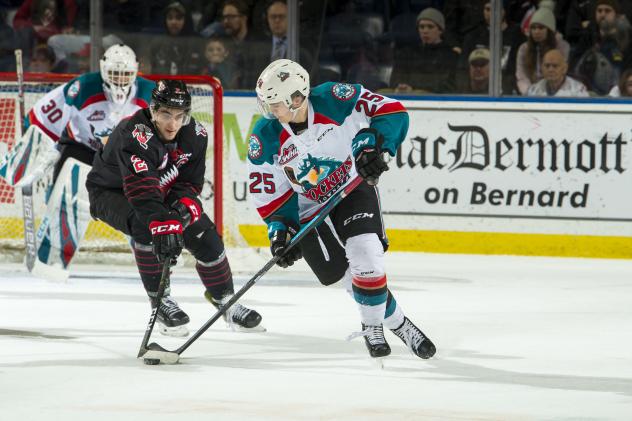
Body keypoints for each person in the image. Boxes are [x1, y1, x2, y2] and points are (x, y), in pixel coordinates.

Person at [248, 59, 436, 360]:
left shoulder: (336, 98)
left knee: (367, 255)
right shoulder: (266, 135)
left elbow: (392, 111)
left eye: (276, 104)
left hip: (351, 188)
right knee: (338, 275)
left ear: (296, 98)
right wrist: (280, 230)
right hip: (307, 209)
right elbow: (268, 190)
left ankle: (375, 326)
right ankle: (398, 320)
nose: (270, 111)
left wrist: (377, 145)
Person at [86, 79, 263, 336]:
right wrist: (164, 225)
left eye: (180, 116)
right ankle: (161, 303)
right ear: (153, 110)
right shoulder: (133, 133)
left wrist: (179, 214)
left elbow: (190, 184)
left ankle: (226, 300)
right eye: (166, 114)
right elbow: (141, 191)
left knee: (207, 238)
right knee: (146, 227)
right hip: (111, 193)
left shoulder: (196, 135)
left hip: (160, 194)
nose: (173, 123)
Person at [1, 44, 154, 274]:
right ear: (102, 69)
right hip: (81, 149)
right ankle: (52, 258)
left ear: (136, 71)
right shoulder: (82, 88)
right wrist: (38, 150)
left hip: (123, 157)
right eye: (114, 73)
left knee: (140, 200)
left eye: (125, 74)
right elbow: (41, 117)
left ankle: (150, 252)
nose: (120, 80)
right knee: (68, 196)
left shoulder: (151, 94)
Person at [390, 7, 459, 93]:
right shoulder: (407, 53)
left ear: (440, 30)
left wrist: (413, 88)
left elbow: (446, 85)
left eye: (430, 27)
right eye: (421, 27)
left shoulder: (450, 55)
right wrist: (400, 86)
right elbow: (395, 78)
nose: (425, 31)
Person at [515, 7, 571, 94]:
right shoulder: (523, 49)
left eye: (541, 28)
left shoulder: (562, 47)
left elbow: (560, 73)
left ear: (550, 30)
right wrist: (529, 92)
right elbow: (521, 75)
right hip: (529, 94)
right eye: (533, 28)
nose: (536, 31)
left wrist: (544, 92)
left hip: (555, 92)